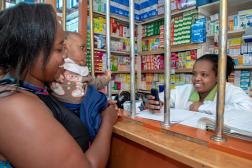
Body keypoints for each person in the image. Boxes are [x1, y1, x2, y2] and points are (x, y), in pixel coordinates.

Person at [0, 3, 119, 168]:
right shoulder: (15, 106)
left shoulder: (37, 90)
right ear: (32, 52)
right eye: (58, 49)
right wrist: (107, 121)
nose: (64, 57)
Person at [50, 31, 112, 141]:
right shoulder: (57, 66)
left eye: (86, 50)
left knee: (95, 94)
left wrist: (106, 78)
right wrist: (55, 74)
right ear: (65, 49)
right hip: (60, 110)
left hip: (80, 110)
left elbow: (96, 83)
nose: (85, 52)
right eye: (81, 48)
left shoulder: (83, 72)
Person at [145, 54, 252, 114]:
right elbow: (166, 97)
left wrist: (203, 107)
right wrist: (156, 103)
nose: (196, 79)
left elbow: (247, 109)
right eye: (194, 74)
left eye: (204, 75)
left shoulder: (231, 91)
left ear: (218, 77)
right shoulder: (185, 89)